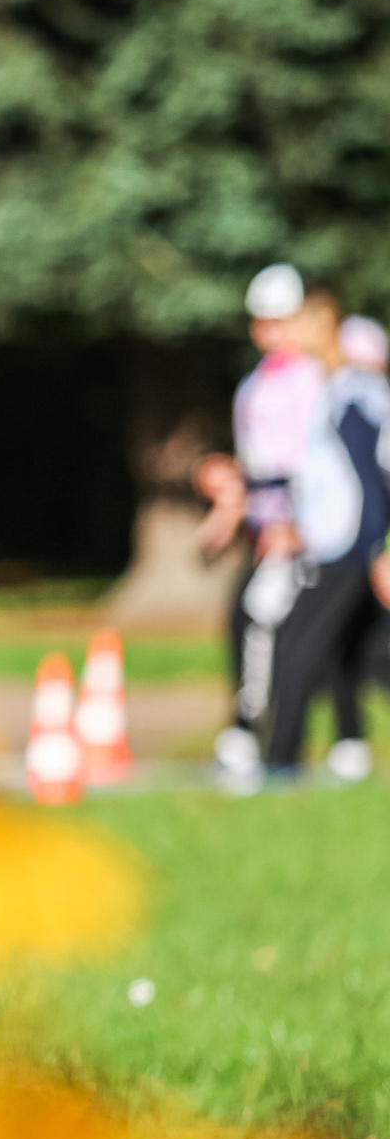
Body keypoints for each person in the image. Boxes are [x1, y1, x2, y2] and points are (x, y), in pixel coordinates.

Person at [256, 285, 389, 783]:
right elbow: (317, 473)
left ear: (323, 324)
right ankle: (347, 744)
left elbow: (370, 477)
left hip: (348, 543)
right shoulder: (329, 387)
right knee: (359, 652)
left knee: (298, 644)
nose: (289, 333)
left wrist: (376, 550)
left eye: (298, 323)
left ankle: (279, 764)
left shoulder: (352, 392)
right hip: (337, 539)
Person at [199, 263, 327, 774]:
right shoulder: (252, 387)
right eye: (263, 321)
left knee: (262, 620)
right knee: (251, 619)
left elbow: (315, 467)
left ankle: (248, 731)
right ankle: (257, 731)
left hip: (305, 530)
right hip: (265, 527)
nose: (271, 331)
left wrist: (294, 524)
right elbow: (255, 465)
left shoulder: (315, 380)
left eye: (281, 320)